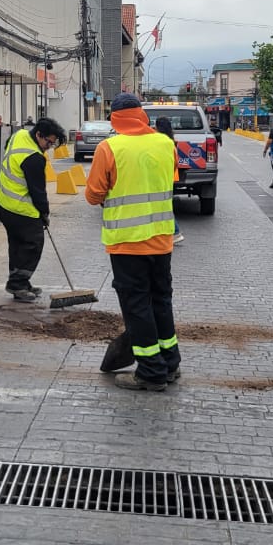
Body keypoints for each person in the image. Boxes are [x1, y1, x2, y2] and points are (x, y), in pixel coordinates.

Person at [86, 93, 180, 391]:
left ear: (113, 118)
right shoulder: (166, 144)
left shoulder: (109, 147)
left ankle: (151, 372)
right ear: (142, 115)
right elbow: (171, 179)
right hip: (162, 240)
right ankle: (170, 363)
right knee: (161, 300)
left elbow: (93, 195)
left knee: (137, 305)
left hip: (127, 243)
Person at [0, 117, 66, 303]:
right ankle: (18, 283)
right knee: (33, 244)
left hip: (3, 203)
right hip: (21, 209)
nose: (49, 147)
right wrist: (44, 213)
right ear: (39, 135)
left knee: (17, 244)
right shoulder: (34, 158)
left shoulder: (18, 135)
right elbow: (38, 191)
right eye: (49, 142)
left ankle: (18, 282)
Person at [154, 116, 183, 245]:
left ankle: (176, 232)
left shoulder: (159, 140)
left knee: (163, 205)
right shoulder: (170, 139)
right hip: (169, 175)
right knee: (163, 204)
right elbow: (175, 161)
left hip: (161, 176)